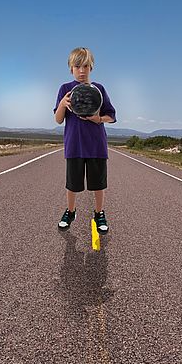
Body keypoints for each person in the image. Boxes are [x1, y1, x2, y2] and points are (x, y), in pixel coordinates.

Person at [54, 47, 116, 233]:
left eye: (86, 66)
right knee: (72, 184)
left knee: (98, 184)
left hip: (96, 145)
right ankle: (70, 212)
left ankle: (99, 213)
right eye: (77, 66)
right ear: (71, 68)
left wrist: (99, 119)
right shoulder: (65, 89)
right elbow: (58, 119)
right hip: (75, 145)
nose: (82, 70)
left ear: (92, 67)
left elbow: (111, 116)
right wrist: (63, 105)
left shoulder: (99, 89)